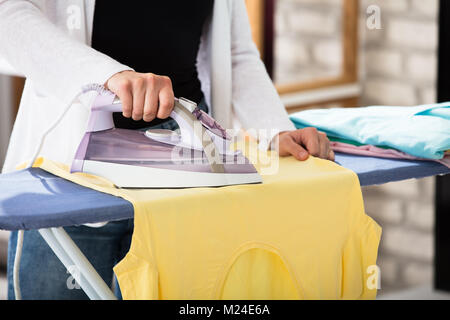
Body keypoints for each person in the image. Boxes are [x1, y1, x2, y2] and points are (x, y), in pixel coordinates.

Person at [0, 0, 335, 299]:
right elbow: (8, 14)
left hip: (185, 155)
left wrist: (275, 129)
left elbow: (236, 54)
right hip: (73, 154)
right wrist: (108, 76)